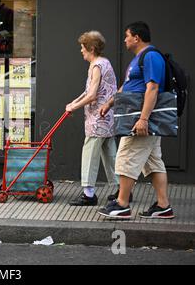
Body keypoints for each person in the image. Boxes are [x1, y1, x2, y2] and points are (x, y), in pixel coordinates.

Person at [98, 21, 174, 219]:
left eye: (127, 35)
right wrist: (110, 103)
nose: (125, 39)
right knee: (153, 163)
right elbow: (128, 86)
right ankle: (163, 206)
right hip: (138, 118)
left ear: (136, 38)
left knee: (126, 157)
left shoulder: (151, 57)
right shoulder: (138, 59)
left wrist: (143, 119)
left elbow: (153, 88)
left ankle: (122, 204)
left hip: (140, 121)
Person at [66, 31, 120, 206]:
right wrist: (74, 101)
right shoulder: (102, 63)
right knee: (110, 154)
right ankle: (123, 189)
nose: (81, 51)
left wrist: (74, 106)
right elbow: (88, 92)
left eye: (82, 48)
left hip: (98, 120)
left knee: (89, 153)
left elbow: (92, 95)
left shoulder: (97, 66)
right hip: (107, 118)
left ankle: (89, 194)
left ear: (91, 48)